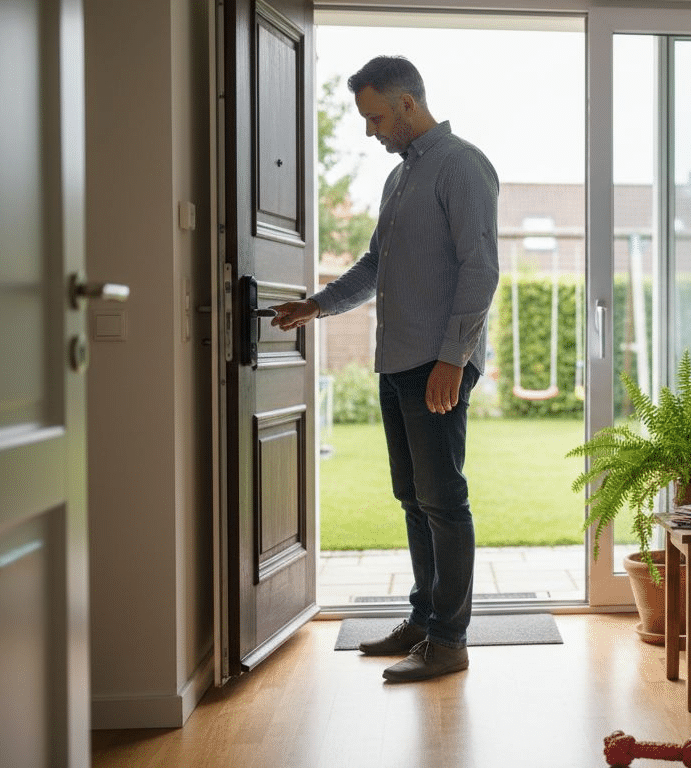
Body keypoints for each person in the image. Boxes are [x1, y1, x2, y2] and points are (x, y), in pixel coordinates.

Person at [271, 55, 500, 683]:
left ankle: (449, 641)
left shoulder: (462, 166)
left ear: (407, 102)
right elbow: (375, 265)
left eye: (375, 117)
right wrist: (316, 305)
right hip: (398, 362)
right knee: (414, 499)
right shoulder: (399, 180)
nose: (370, 131)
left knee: (444, 502)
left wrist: (453, 360)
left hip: (437, 363)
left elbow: (481, 271)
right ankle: (424, 622)